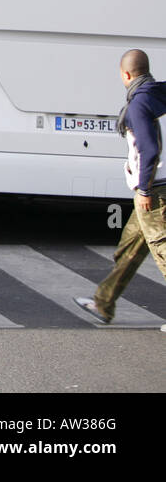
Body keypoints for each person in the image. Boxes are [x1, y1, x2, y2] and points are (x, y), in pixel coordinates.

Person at [75, 48, 166, 330]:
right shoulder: (159, 93)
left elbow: (149, 150)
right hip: (154, 188)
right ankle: (103, 303)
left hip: (155, 191)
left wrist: (144, 191)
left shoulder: (139, 104)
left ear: (126, 74)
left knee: (162, 252)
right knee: (129, 250)